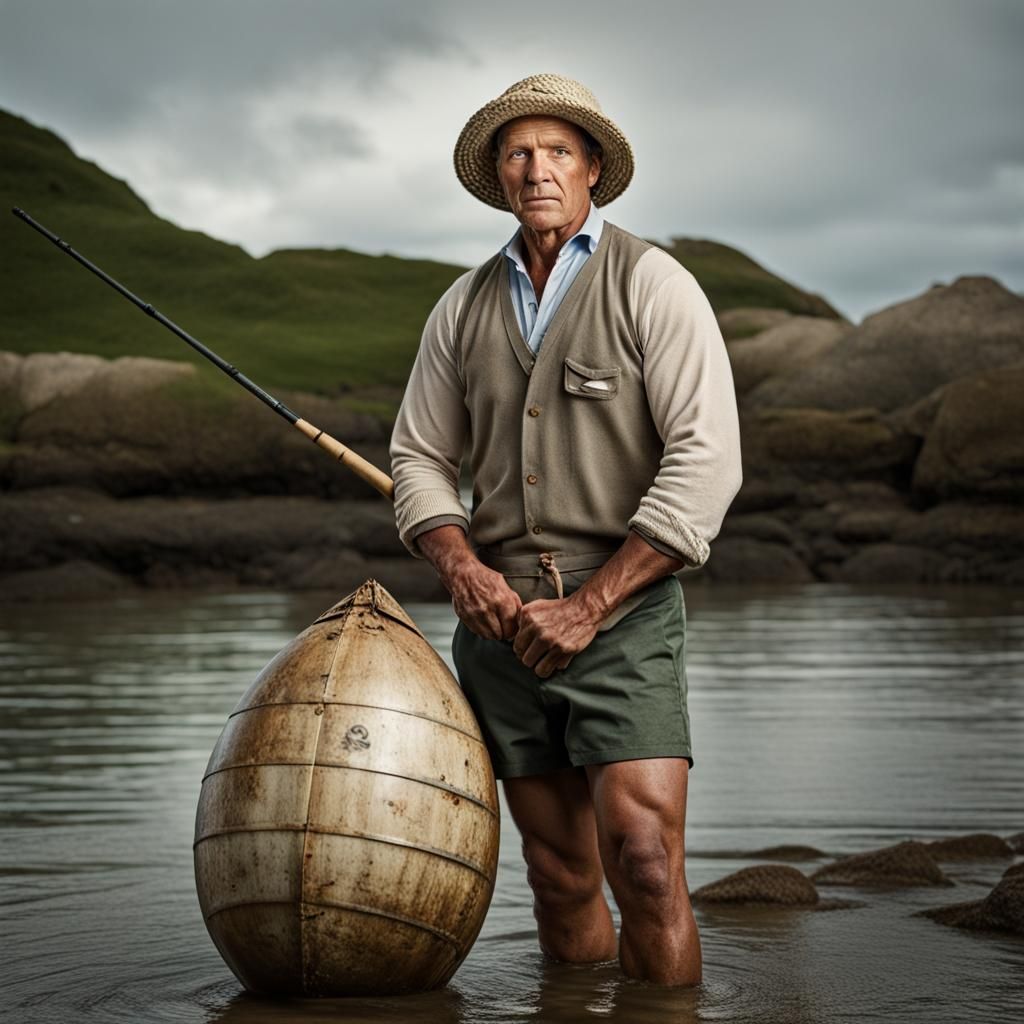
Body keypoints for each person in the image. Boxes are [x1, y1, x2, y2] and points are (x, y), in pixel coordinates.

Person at [389, 73, 742, 986]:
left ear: (593, 169)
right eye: (517, 152)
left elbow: (706, 464)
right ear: (499, 176)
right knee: (556, 875)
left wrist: (590, 606)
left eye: (556, 152)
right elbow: (419, 458)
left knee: (649, 865)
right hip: (496, 622)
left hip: (623, 611)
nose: (536, 169)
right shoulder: (460, 307)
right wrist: (460, 565)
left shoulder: (654, 283)